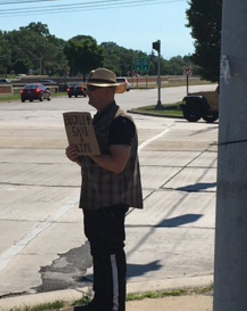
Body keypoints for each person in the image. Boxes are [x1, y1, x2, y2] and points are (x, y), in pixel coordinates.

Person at [65, 68, 143, 311]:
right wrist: (78, 157)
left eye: (93, 89)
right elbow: (96, 160)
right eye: (88, 88)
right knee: (98, 251)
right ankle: (101, 302)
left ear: (109, 92)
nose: (87, 92)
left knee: (110, 254)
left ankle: (114, 306)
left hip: (112, 200)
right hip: (94, 198)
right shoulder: (98, 119)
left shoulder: (120, 121)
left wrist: (91, 153)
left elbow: (117, 164)